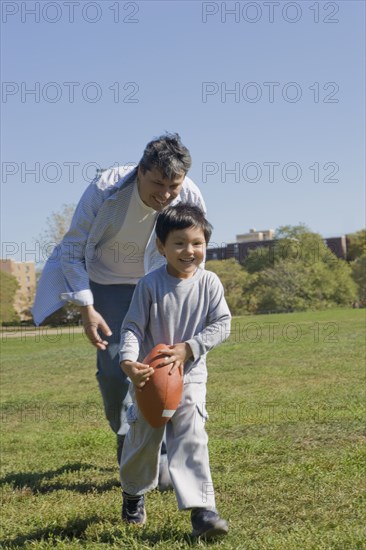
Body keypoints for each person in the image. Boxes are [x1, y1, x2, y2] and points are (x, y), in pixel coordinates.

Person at [32, 134, 206, 488]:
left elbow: (194, 248)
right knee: (115, 374)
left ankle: (155, 455)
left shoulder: (189, 194)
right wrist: (86, 305)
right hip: (105, 283)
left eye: (173, 185)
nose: (166, 194)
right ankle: (125, 433)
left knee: (162, 367)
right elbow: (73, 246)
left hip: (158, 283)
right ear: (141, 171)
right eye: (158, 183)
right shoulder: (105, 187)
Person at [119, 204, 231, 540]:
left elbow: (223, 323)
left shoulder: (210, 282)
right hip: (151, 378)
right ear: (161, 247)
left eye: (197, 243)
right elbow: (133, 328)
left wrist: (190, 347)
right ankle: (133, 494)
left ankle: (202, 511)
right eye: (179, 243)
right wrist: (128, 361)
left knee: (191, 435)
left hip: (191, 375)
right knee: (143, 441)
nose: (189, 251)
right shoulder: (150, 284)